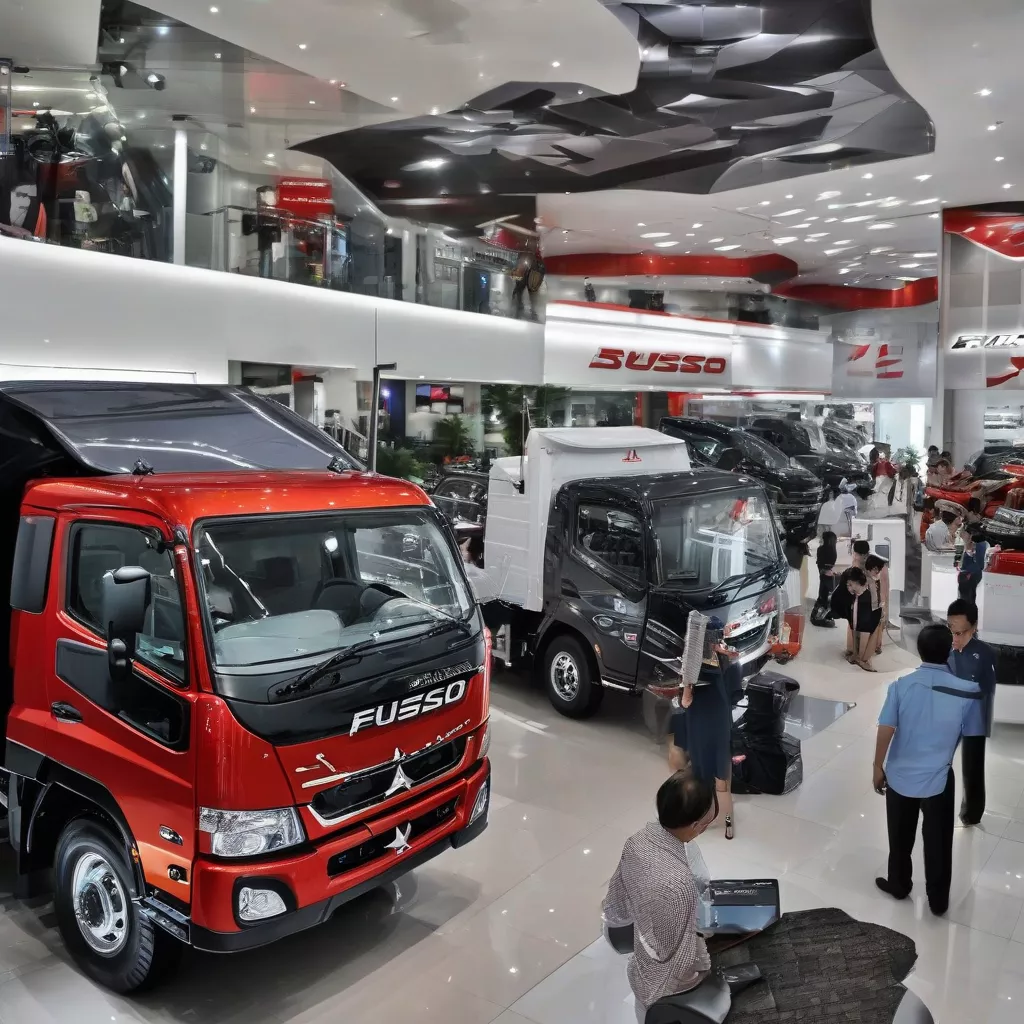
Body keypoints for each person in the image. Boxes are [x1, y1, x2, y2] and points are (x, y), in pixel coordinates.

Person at [873, 624, 986, 916]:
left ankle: (899, 885)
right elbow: (971, 738)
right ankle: (938, 902)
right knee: (938, 842)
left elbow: (886, 729)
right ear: (949, 651)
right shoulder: (968, 691)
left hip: (899, 776)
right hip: (938, 778)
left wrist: (877, 767)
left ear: (918, 651)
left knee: (900, 837)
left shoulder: (899, 686)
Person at [603, 771, 717, 1024]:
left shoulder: (638, 841)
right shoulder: (678, 884)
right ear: (695, 825)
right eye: (705, 822)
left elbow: (616, 907)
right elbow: (683, 964)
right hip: (666, 990)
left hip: (642, 965)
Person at [668, 627, 740, 839]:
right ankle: (728, 825)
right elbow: (735, 696)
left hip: (700, 729)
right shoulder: (728, 659)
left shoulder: (693, 668)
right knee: (723, 782)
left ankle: (706, 819)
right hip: (721, 726)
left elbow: (686, 701)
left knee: (702, 779)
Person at [947, 599, 997, 826]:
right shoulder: (944, 647)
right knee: (939, 760)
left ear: (974, 627)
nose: (955, 638)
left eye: (961, 633)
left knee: (972, 767)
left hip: (973, 717)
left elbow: (987, 689)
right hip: (947, 714)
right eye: (952, 630)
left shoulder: (984, 653)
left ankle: (971, 813)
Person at [829, 539, 870, 658]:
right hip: (854, 601)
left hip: (859, 600)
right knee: (854, 625)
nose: (856, 556)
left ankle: (855, 651)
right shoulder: (857, 567)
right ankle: (853, 651)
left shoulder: (860, 567)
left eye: (856, 553)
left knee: (857, 625)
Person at [848, 567, 877, 671]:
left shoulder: (866, 596)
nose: (849, 587)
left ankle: (862, 658)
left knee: (863, 635)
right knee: (855, 632)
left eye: (850, 584)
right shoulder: (856, 595)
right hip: (856, 621)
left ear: (857, 583)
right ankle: (856, 656)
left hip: (865, 625)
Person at [811, 530, 838, 627]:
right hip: (829, 575)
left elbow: (820, 564)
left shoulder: (821, 549)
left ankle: (818, 617)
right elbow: (830, 565)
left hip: (823, 574)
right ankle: (823, 617)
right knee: (826, 596)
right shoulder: (833, 551)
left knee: (822, 596)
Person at [864, 553, 890, 657]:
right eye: (877, 570)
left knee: (877, 627)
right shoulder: (865, 579)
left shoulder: (875, 579)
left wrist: (882, 606)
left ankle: (876, 646)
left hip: (876, 607)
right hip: (868, 609)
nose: (878, 572)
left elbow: (880, 593)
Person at [957, 527, 988, 603]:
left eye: (963, 532)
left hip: (972, 577)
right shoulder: (963, 545)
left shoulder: (981, 545)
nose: (960, 534)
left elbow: (980, 566)